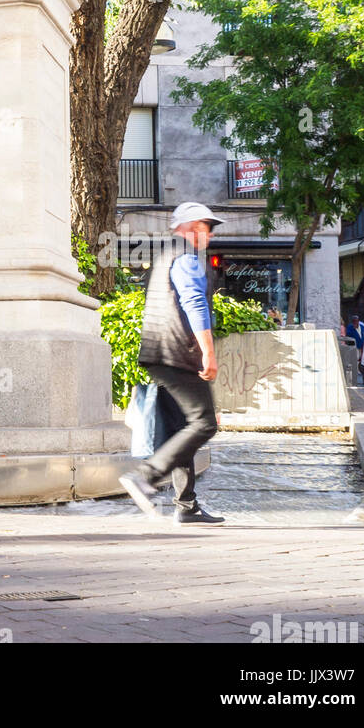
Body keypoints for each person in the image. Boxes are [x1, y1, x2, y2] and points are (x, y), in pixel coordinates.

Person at [119, 201, 225, 525]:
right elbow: (194, 303)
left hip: (157, 353)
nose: (209, 234)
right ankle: (144, 477)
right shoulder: (187, 257)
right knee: (204, 422)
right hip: (178, 353)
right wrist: (208, 351)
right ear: (192, 228)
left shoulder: (165, 256)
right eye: (206, 227)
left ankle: (186, 505)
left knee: (184, 427)